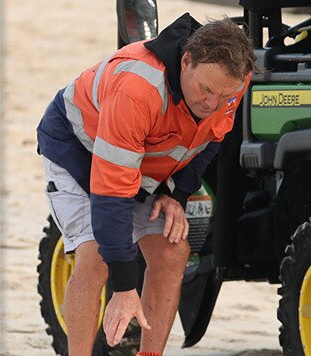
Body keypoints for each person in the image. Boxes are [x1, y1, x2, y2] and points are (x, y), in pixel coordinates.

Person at [36, 13, 256, 356]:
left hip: (140, 157)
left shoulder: (232, 83)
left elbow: (211, 139)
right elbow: (112, 193)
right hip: (79, 149)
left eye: (224, 96)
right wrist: (124, 289)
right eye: (206, 90)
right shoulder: (137, 90)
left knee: (173, 251)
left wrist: (175, 194)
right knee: (95, 254)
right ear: (186, 61)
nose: (212, 104)